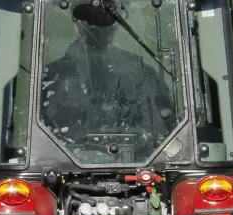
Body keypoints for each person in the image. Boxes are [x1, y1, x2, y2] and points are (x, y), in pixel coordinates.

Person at [40, 1, 176, 156]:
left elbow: (43, 141)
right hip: (139, 167)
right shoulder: (144, 73)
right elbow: (162, 132)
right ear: (115, 28)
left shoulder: (50, 76)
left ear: (76, 27)